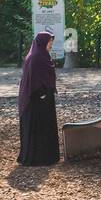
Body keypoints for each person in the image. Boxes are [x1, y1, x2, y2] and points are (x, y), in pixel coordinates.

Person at [17, 30, 60, 166]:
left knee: (45, 126)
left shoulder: (42, 55)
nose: (51, 44)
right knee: (38, 128)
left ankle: (47, 156)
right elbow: (33, 80)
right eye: (49, 41)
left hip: (42, 98)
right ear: (43, 42)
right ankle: (38, 158)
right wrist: (42, 93)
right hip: (36, 100)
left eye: (51, 41)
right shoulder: (36, 57)